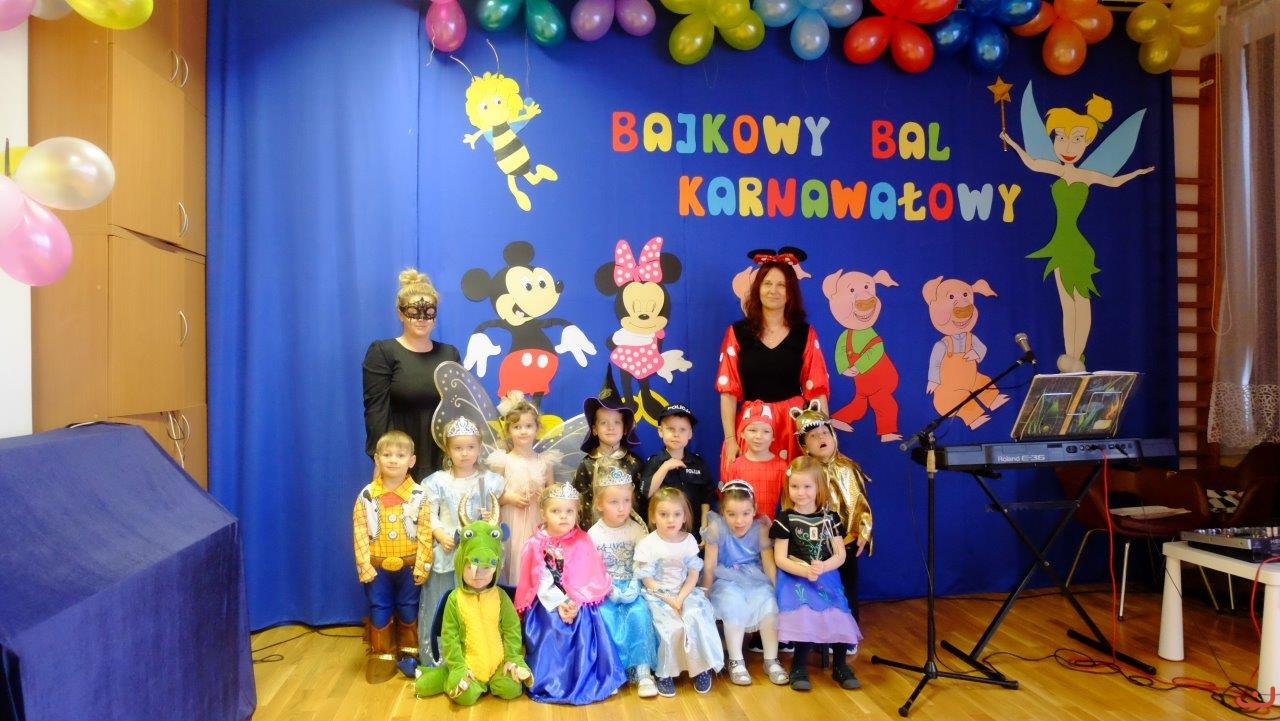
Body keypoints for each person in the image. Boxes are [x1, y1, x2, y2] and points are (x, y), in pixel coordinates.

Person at [1000, 93, 1154, 372]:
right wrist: (1010, 141)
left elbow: (1114, 182)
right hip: (1059, 244)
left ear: (1087, 142)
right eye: (1061, 137)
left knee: (1082, 302)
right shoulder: (1058, 171)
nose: (1068, 146)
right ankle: (1070, 355)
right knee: (1066, 303)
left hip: (1078, 247)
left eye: (1078, 139)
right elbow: (1032, 163)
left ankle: (1078, 355)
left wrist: (1138, 173)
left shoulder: (1087, 176)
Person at [716, 249, 830, 478]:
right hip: (753, 428)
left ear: (790, 293)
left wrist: (823, 438)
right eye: (767, 283)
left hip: (793, 426)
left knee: (797, 491)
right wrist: (730, 439)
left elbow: (817, 391)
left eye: (781, 285)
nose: (773, 290)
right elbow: (728, 392)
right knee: (749, 493)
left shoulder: (805, 333)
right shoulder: (737, 333)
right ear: (758, 288)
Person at [515, 482, 627, 704]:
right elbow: (539, 580)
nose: (563, 516)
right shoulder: (535, 543)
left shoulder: (582, 539)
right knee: (553, 625)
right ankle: (553, 680)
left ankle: (592, 678)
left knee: (586, 622)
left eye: (569, 511)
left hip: (578, 600)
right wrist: (560, 603)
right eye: (556, 511)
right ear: (543, 513)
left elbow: (587, 574)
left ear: (577, 513)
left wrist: (574, 602)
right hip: (547, 601)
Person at [412, 509, 532, 705]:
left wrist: (513, 658)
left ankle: (491, 678)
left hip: (498, 663)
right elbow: (449, 637)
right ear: (461, 564)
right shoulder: (454, 599)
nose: (479, 575)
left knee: (511, 688)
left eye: (486, 568)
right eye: (471, 567)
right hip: (469, 667)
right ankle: (446, 675)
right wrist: (459, 667)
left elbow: (512, 630)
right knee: (465, 697)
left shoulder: (500, 596)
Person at [417, 417, 505, 666]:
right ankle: (439, 660)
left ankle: (476, 657)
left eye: (470, 447)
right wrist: (439, 533)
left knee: (476, 602)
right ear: (448, 450)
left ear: (479, 447)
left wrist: (489, 519)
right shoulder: (437, 482)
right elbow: (428, 514)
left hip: (475, 553)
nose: (465, 453)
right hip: (448, 551)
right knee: (442, 602)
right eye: (458, 448)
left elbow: (494, 519)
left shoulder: (489, 481)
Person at [770, 456, 863, 691]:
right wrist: (804, 571)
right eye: (795, 486)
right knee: (806, 613)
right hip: (794, 577)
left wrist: (823, 567)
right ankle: (798, 665)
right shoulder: (785, 519)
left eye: (807, 486)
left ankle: (840, 665)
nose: (800, 492)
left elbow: (840, 555)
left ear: (819, 487)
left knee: (838, 612)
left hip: (825, 575)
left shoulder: (830, 519)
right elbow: (780, 558)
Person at [363, 269, 461, 480]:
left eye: (429, 312)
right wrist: (381, 458)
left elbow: (459, 408)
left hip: (444, 456)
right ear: (401, 313)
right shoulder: (384, 352)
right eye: (414, 311)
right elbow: (376, 411)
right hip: (400, 456)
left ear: (435, 316)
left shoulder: (449, 354)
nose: (421, 318)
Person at [352, 431, 432, 683]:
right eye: (387, 455)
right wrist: (364, 565)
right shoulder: (366, 496)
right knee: (380, 606)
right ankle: (381, 654)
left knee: (409, 606)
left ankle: (410, 652)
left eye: (400, 455)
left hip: (409, 565)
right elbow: (359, 531)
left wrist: (423, 565)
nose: (393, 460)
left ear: (412, 460)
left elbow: (426, 532)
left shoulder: (420, 495)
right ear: (377, 459)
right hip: (377, 567)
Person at [635, 487, 724, 697]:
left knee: (695, 617)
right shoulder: (648, 544)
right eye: (663, 514)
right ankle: (665, 672)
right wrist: (670, 599)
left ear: (685, 517)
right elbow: (648, 580)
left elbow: (693, 575)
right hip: (658, 595)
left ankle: (700, 668)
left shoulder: (689, 540)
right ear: (653, 517)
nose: (670, 520)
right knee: (669, 626)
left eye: (676, 514)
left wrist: (681, 598)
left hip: (684, 591)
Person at [700, 481, 787, 686]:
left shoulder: (761, 529)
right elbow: (710, 565)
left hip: (754, 577)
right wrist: (705, 593)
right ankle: (736, 660)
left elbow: (768, 564)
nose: (739, 521)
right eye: (731, 514)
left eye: (746, 514)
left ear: (754, 510)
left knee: (768, 601)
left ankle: (771, 659)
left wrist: (778, 592)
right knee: (732, 602)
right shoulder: (717, 528)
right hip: (725, 578)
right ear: (723, 511)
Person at [794, 402, 873, 621]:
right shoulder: (803, 472)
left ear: (833, 436)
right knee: (817, 587)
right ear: (804, 446)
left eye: (824, 433)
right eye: (813, 436)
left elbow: (861, 502)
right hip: (813, 541)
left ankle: (849, 628)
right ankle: (820, 629)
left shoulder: (848, 468)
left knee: (847, 586)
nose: (821, 438)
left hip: (845, 540)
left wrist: (864, 530)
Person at [587, 463, 660, 698]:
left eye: (626, 501)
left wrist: (634, 585)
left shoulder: (638, 531)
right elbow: (593, 570)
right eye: (614, 502)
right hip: (605, 590)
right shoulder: (593, 534)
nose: (621, 508)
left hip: (633, 586)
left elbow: (643, 564)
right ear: (600, 504)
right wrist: (608, 589)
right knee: (605, 618)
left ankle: (643, 671)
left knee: (639, 614)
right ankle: (612, 672)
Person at [490, 391, 555, 586]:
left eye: (528, 426)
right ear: (508, 430)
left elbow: (552, 495)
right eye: (517, 427)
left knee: (536, 561)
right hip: (511, 520)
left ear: (537, 428)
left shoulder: (545, 461)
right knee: (514, 559)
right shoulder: (503, 461)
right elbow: (492, 498)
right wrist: (509, 498)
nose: (523, 431)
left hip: (537, 521)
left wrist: (543, 497)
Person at [571, 370, 642, 530]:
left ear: (625, 428)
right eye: (604, 422)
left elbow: (640, 502)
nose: (611, 427)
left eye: (616, 422)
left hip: (627, 532)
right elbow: (577, 502)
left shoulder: (635, 463)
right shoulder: (587, 464)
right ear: (594, 429)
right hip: (593, 532)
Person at [639, 403, 714, 538]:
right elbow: (645, 492)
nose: (676, 434)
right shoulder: (654, 462)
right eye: (671, 429)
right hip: (662, 535)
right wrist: (665, 467)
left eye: (682, 430)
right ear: (660, 431)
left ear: (690, 434)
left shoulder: (698, 463)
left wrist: (704, 527)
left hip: (693, 533)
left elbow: (706, 498)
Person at [723, 400, 788, 521]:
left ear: (773, 437)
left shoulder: (782, 466)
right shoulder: (735, 466)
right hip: (741, 526)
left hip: (770, 527)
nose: (759, 436)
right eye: (752, 430)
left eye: (766, 431)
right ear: (742, 433)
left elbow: (787, 503)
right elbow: (729, 502)